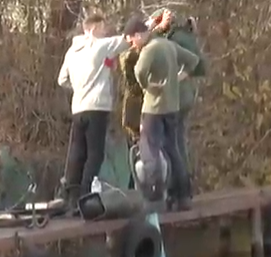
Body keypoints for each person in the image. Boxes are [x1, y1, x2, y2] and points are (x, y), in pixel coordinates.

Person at [123, 14, 200, 210]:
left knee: (150, 150)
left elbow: (139, 71)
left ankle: (155, 197)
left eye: (132, 40)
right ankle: (183, 196)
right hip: (172, 107)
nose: (133, 45)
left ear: (139, 35)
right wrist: (178, 77)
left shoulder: (150, 49)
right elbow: (193, 60)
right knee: (173, 150)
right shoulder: (168, 45)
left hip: (153, 108)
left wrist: (147, 86)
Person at [56, 11, 129, 211]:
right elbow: (125, 41)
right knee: (95, 154)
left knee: (77, 152)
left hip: (78, 107)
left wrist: (80, 87)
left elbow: (62, 79)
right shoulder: (99, 45)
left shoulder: (72, 51)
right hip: (97, 107)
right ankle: (85, 195)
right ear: (94, 28)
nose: (105, 32)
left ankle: (70, 195)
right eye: (103, 28)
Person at [146, 9, 207, 196]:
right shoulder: (183, 36)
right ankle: (183, 188)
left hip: (175, 98)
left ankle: (177, 188)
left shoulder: (172, 39)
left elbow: (199, 65)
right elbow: (198, 64)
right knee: (177, 141)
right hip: (183, 96)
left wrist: (178, 77)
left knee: (170, 143)